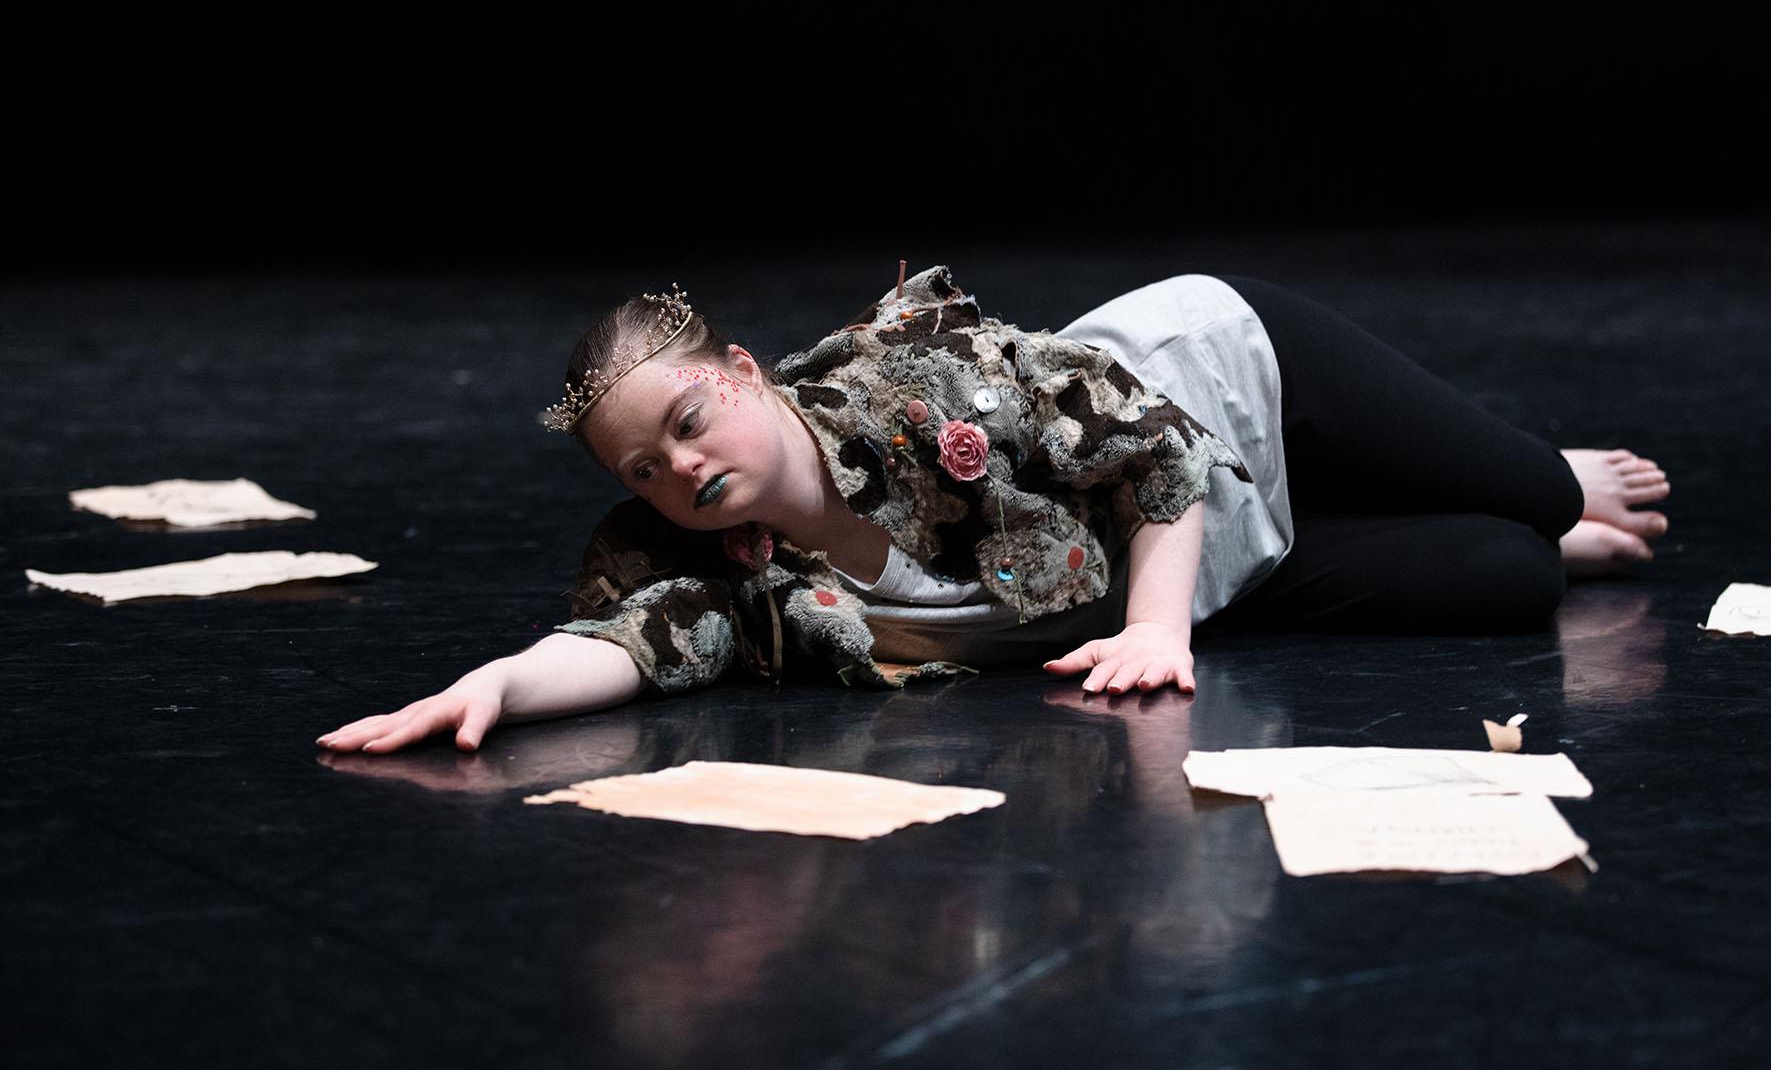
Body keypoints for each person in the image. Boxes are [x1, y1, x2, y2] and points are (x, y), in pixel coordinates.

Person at [317, 264, 1670, 755]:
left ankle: (1508, 465)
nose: (680, 470)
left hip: (1224, 384)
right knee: (1517, 577)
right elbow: (631, 645)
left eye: (688, 422)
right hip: (1200, 566)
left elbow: (1154, 455)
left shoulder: (918, 390)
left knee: (1543, 493)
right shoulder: (743, 576)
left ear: (742, 372)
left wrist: (1155, 635)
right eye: (644, 473)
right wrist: (495, 683)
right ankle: (1481, 506)